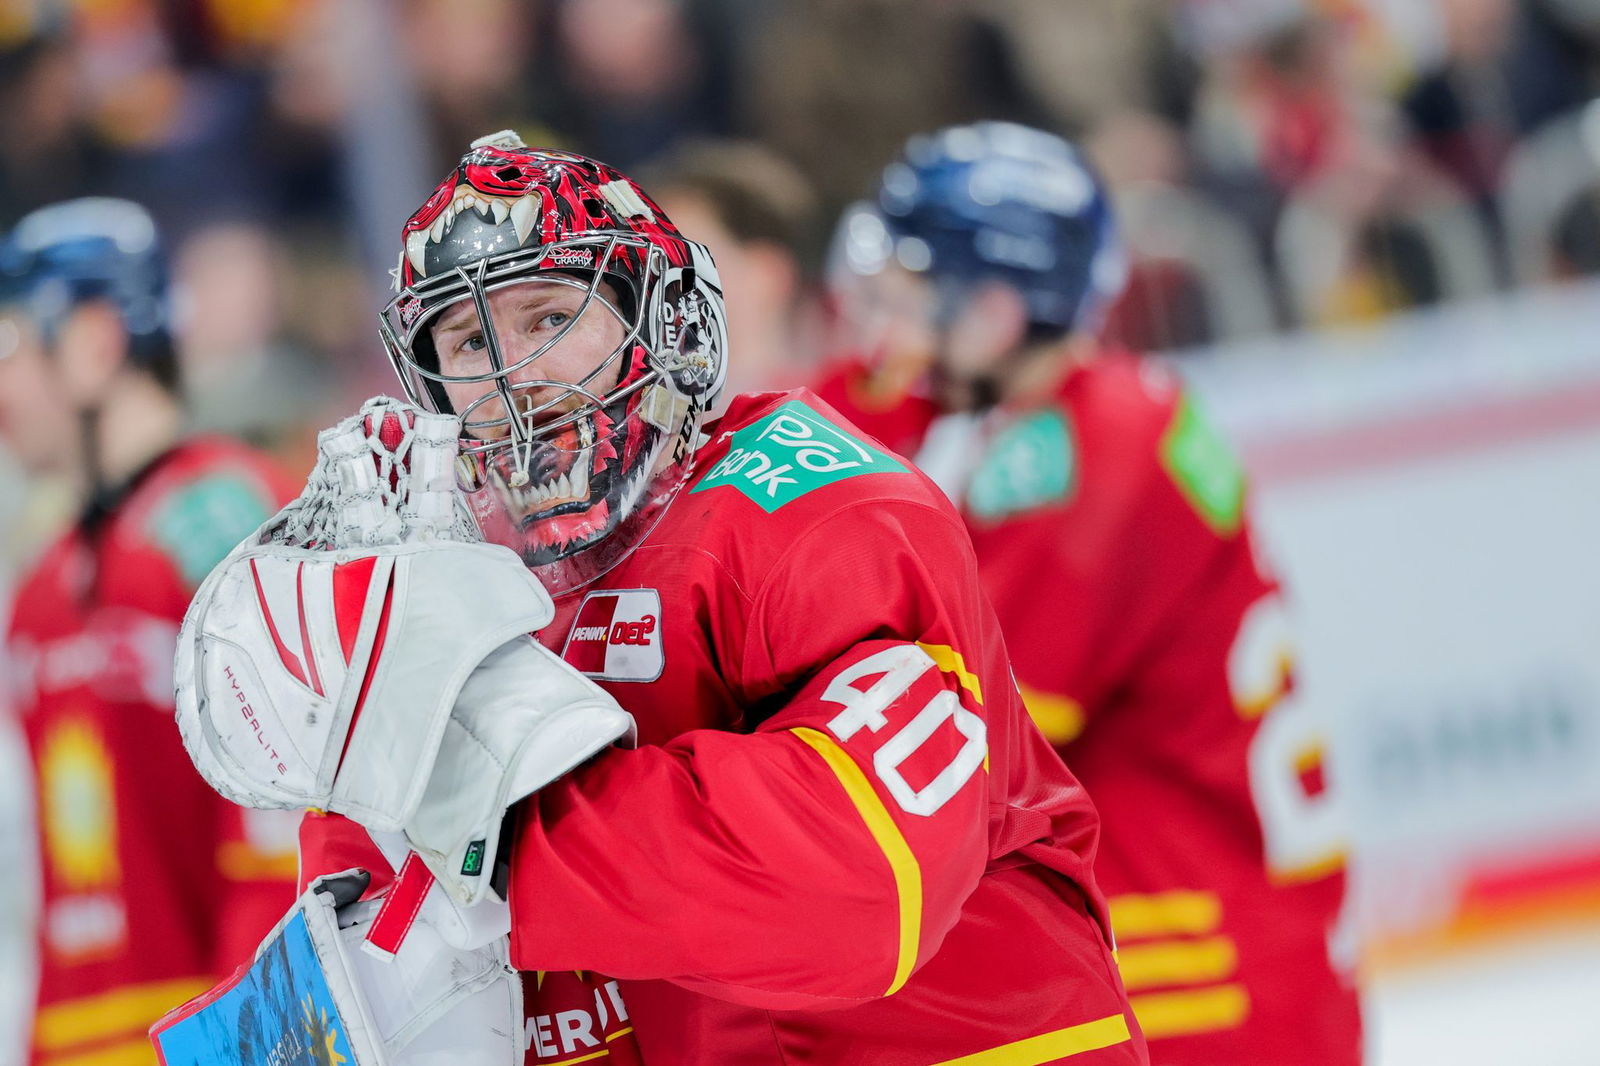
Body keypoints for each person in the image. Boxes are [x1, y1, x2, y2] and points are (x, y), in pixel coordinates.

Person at [239, 130, 1150, 1064]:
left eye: (548, 317)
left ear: (661, 321)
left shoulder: (820, 512)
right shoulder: (462, 587)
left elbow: (857, 892)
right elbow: (397, 930)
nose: (513, 377)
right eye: (471, 340)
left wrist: (501, 845)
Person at [817, 121, 1362, 1065]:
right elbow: (853, 408)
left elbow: (977, 722)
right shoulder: (1058, 410)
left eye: (913, 289)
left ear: (993, 312)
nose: (885, 318)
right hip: (1225, 940)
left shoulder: (1094, 455)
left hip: (1203, 975)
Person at [0, 198, 299, 1066]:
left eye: (10, 345)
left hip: (214, 1037)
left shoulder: (225, 520)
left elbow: (287, 840)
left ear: (95, 340)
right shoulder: (45, 581)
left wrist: (244, 1046)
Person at [640, 139, 825, 400]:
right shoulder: (635, 423)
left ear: (765, 273)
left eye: (682, 261)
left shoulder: (853, 420)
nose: (654, 284)